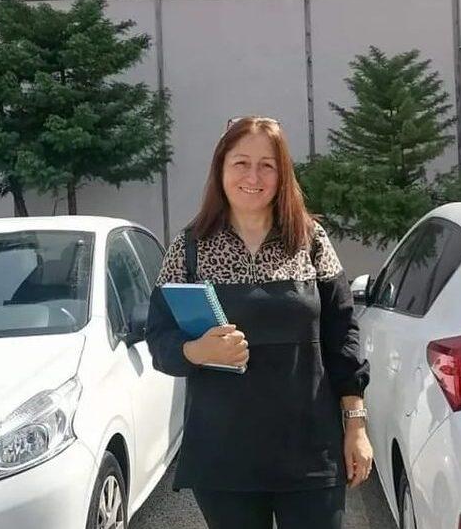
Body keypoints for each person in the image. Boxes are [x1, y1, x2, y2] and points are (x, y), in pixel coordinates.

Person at [146, 116, 373, 529]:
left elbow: (343, 336)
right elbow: (158, 338)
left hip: (310, 450)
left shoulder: (310, 240)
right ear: (220, 169)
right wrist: (196, 351)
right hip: (224, 458)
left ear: (282, 174)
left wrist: (355, 425)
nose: (253, 177)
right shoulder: (189, 249)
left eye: (267, 165)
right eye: (241, 163)